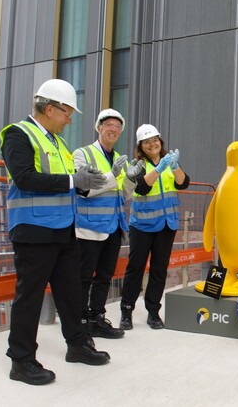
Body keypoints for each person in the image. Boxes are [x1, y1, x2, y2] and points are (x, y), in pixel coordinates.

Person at [0, 79, 111, 386]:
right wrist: (75, 181)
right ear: (49, 109)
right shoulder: (18, 134)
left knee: (69, 291)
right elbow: (24, 178)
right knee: (30, 296)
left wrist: (86, 182)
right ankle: (21, 360)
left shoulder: (58, 142)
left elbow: (67, 182)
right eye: (67, 112)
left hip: (63, 229)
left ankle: (77, 344)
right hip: (34, 229)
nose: (70, 119)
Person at [118, 124, 189, 330]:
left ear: (160, 141)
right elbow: (140, 186)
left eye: (155, 139)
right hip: (143, 225)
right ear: (141, 146)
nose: (152, 144)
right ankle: (126, 311)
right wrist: (158, 170)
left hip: (167, 224)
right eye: (147, 141)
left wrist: (175, 167)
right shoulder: (137, 165)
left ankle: (153, 312)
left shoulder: (170, 161)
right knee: (135, 269)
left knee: (159, 269)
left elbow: (183, 183)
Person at [73, 109, 134, 339]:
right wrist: (113, 173)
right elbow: (84, 190)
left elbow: (123, 195)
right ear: (99, 127)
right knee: (84, 277)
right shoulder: (82, 154)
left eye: (118, 127)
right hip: (89, 227)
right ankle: (80, 322)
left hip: (114, 227)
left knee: (105, 276)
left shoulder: (119, 157)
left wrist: (131, 180)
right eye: (109, 124)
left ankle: (97, 317)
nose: (113, 129)